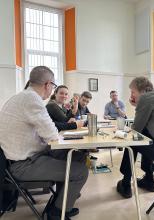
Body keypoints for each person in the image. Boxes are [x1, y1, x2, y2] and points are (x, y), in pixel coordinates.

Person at [0, 66, 88, 219]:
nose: (52, 90)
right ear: (48, 84)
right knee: (81, 171)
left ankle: (61, 202)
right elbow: (52, 135)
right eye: (53, 86)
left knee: (76, 156)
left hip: (19, 157)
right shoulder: (32, 99)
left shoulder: (22, 96)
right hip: (21, 164)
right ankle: (56, 213)